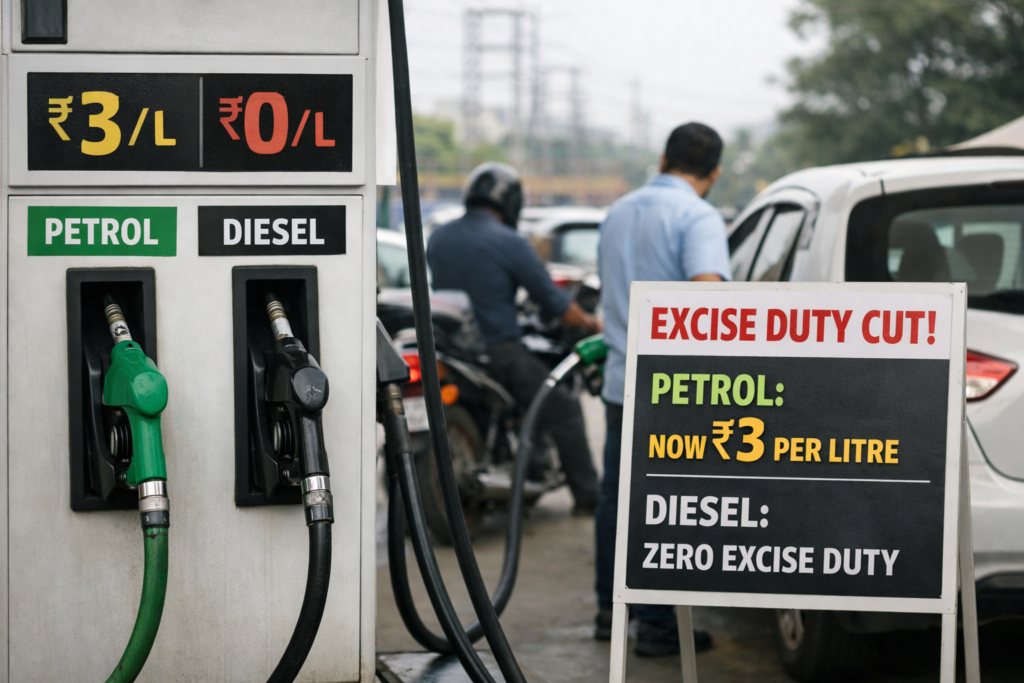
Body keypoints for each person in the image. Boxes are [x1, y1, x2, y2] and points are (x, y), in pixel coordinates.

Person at [593, 123, 730, 656]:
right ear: (714, 173)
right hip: (674, 387)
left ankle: (611, 610)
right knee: (667, 503)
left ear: (663, 158)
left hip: (620, 380)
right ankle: (655, 624)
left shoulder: (619, 211)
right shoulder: (698, 216)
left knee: (616, 496)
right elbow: (708, 302)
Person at [427, 162, 602, 514]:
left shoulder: (439, 237)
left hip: (446, 347)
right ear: (511, 202)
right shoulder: (509, 242)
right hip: (498, 352)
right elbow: (554, 303)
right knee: (563, 409)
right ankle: (588, 498)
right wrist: (591, 325)